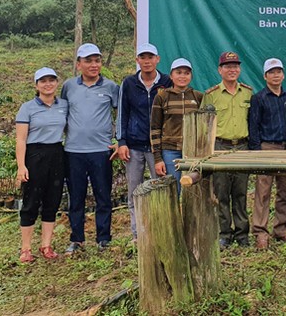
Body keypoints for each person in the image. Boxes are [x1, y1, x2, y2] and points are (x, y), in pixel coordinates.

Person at [61, 43, 120, 256]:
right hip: (74, 151)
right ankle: (76, 239)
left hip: (101, 151)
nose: (94, 65)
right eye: (88, 61)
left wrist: (119, 140)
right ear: (78, 64)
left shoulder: (111, 87)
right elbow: (62, 113)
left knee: (103, 196)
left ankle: (103, 238)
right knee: (76, 197)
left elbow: (121, 114)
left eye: (97, 60)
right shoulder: (69, 87)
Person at [116, 42, 171, 240]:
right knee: (135, 192)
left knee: (161, 191)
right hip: (134, 146)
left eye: (150, 57)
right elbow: (122, 113)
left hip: (159, 148)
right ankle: (138, 235)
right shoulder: (129, 83)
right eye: (143, 57)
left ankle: (160, 233)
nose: (147, 61)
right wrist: (122, 141)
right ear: (137, 60)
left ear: (158, 59)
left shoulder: (167, 82)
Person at [200, 51, 253, 248]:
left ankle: (242, 234)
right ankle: (224, 234)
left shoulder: (247, 92)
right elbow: (204, 125)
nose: (232, 70)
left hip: (241, 146)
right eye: (228, 66)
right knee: (221, 193)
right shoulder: (211, 95)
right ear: (220, 70)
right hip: (220, 146)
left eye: (235, 66)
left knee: (240, 193)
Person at [15, 67, 68, 263]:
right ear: (36, 85)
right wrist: (22, 166)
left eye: (51, 80)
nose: (48, 84)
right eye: (43, 81)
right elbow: (20, 139)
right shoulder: (27, 108)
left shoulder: (63, 105)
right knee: (31, 201)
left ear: (57, 83)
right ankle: (26, 248)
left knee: (52, 201)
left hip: (56, 154)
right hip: (34, 155)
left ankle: (46, 245)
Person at [248, 58, 286, 249]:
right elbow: (254, 126)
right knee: (263, 191)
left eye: (279, 71)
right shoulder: (259, 98)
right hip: (267, 148)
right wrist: (257, 151)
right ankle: (260, 231)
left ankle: (281, 229)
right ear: (265, 76)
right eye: (272, 72)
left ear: (283, 75)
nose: (276, 75)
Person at [150, 58, 203, 193]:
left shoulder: (198, 97)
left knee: (193, 190)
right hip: (170, 151)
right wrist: (157, 158)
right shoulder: (162, 97)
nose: (182, 76)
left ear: (191, 76)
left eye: (186, 73)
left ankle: (189, 215)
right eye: (178, 72)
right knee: (173, 190)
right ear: (171, 75)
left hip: (192, 152)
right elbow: (155, 128)